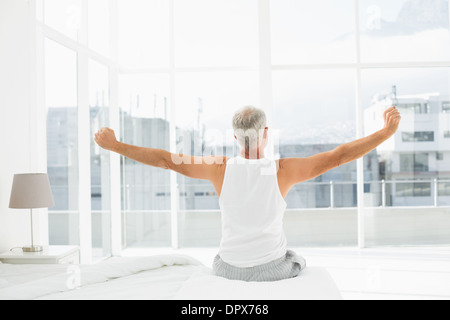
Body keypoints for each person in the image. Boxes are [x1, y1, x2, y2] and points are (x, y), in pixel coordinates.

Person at [94, 106, 401, 282]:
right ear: (266, 133)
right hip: (273, 270)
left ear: (235, 137)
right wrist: (385, 133)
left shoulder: (218, 168)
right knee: (296, 259)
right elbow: (338, 156)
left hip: (227, 267)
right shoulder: (283, 170)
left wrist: (116, 145)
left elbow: (164, 159)